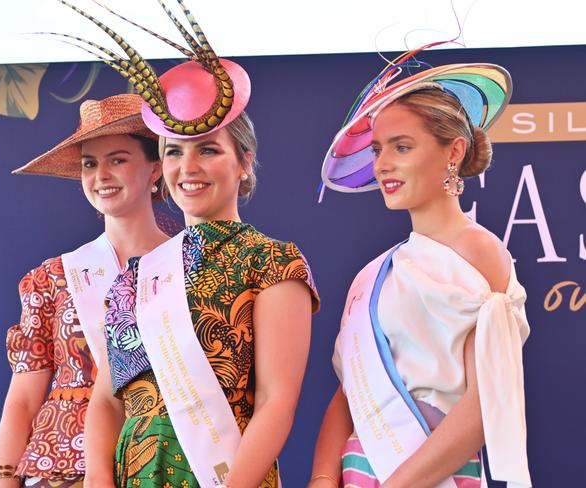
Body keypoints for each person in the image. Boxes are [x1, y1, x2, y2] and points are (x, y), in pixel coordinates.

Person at [56, 3, 319, 487]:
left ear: (245, 162)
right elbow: (109, 398)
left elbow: (277, 400)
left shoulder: (274, 262)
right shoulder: (136, 275)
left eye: (209, 150)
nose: (188, 167)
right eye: (174, 151)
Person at [310, 56, 532, 488]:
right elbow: (349, 394)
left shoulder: (479, 251)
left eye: (402, 146)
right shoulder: (372, 275)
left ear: (453, 151)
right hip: (359, 471)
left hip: (435, 475)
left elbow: (486, 400)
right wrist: (321, 478)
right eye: (378, 149)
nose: (383, 165)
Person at [0, 94, 174, 487]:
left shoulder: (190, 268)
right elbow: (23, 397)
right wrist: (2, 478)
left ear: (155, 167)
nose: (101, 175)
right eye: (90, 164)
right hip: (60, 468)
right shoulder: (53, 278)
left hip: (160, 460)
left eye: (118, 160)